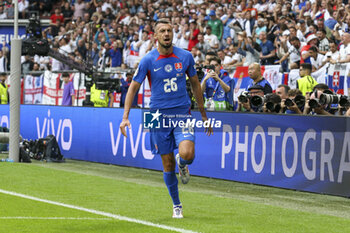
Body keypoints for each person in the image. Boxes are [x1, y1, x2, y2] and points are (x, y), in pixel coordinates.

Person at [119, 19, 212, 219]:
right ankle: (177, 204)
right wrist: (125, 116)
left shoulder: (185, 57)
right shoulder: (147, 60)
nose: (167, 33)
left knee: (187, 154)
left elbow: (196, 85)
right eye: (162, 31)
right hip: (156, 115)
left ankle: (183, 163)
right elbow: (133, 88)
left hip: (181, 112)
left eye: (169, 30)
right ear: (156, 36)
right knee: (167, 164)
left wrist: (203, 114)